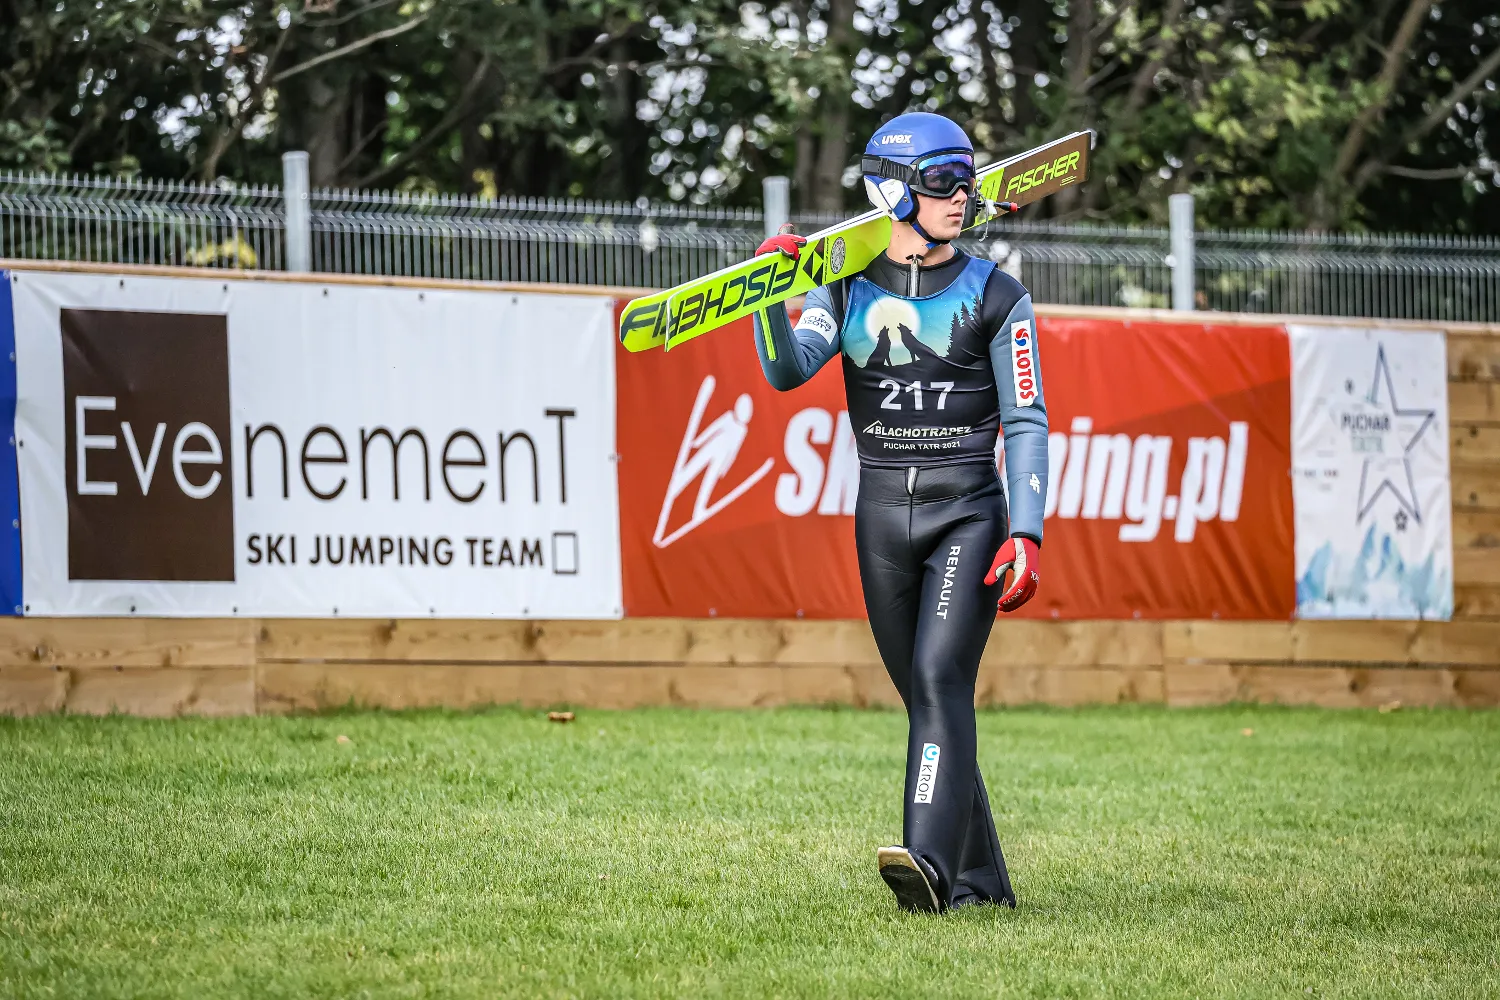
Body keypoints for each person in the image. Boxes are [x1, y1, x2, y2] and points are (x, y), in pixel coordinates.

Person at [750, 111, 1048, 913]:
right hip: (880, 516)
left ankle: (929, 868)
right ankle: (983, 883)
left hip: (969, 515)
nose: (961, 197)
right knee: (928, 701)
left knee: (939, 677)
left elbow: (1026, 420)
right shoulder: (844, 287)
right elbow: (788, 370)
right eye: (942, 181)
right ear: (893, 191)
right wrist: (769, 297)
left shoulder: (999, 294)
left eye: (967, 182)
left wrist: (1025, 532)